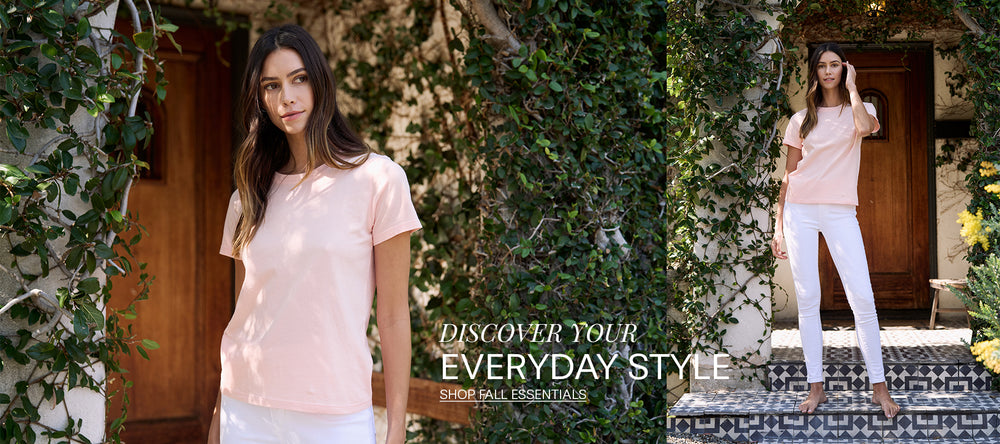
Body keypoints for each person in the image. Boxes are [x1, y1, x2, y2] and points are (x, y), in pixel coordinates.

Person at [207, 24, 420, 443]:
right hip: (245, 408)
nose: (286, 97)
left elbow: (394, 317)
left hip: (333, 414)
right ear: (260, 100)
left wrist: (396, 429)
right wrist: (218, 417)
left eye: (298, 78)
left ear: (320, 82)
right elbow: (245, 315)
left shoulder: (379, 180)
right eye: (271, 86)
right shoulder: (247, 197)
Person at [771, 42, 900, 419]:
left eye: (835, 65)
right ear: (814, 72)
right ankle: (816, 389)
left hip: (841, 211)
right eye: (822, 66)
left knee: (862, 297)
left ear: (844, 69)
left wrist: (855, 88)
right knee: (809, 299)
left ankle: (879, 388)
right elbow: (789, 176)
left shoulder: (861, 110)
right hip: (799, 211)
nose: (828, 72)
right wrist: (778, 226)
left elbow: (865, 128)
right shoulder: (801, 120)